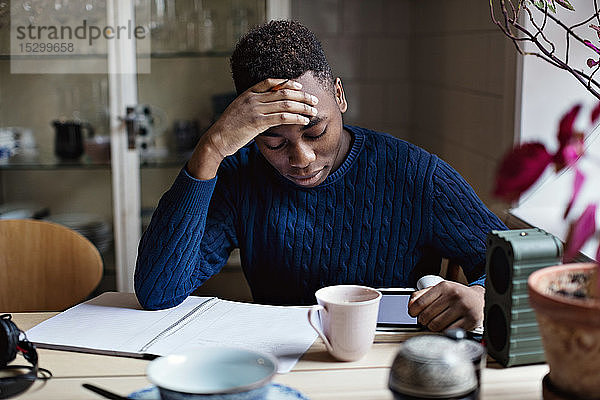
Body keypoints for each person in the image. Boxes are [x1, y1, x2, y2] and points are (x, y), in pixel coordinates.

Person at [134, 20, 507, 332]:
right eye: (275, 143)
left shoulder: (414, 174)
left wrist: (480, 294)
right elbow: (158, 291)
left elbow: (520, 262)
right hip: (278, 357)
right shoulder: (240, 176)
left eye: (315, 132)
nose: (302, 158)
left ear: (339, 96)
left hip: (382, 361)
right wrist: (211, 149)